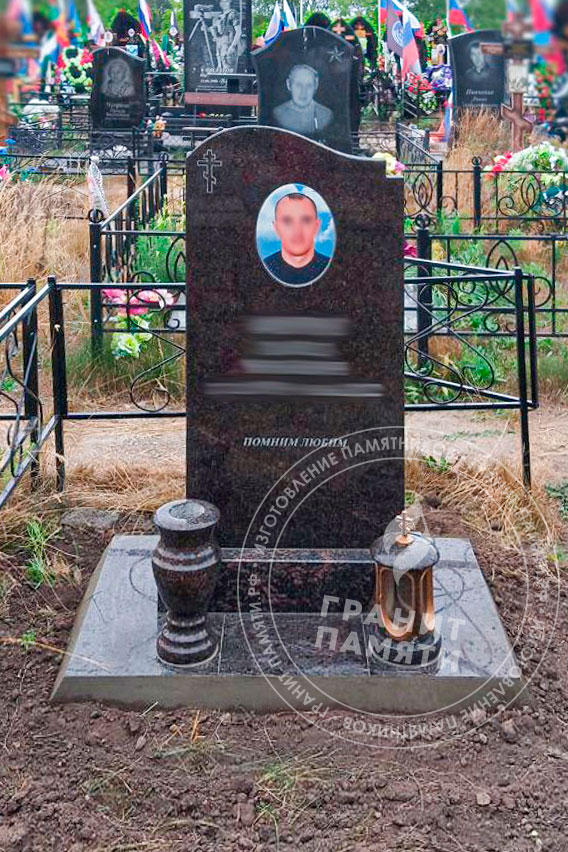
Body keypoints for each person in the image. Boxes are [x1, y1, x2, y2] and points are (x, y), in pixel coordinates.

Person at [263, 193, 330, 285]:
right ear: (276, 228)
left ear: (317, 226)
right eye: (287, 221)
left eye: (306, 220)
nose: (297, 230)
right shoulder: (263, 269)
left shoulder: (331, 267)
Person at [273, 65, 333, 136]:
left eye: (309, 86)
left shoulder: (326, 114)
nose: (303, 92)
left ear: (316, 86)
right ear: (288, 84)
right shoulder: (278, 113)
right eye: (298, 85)